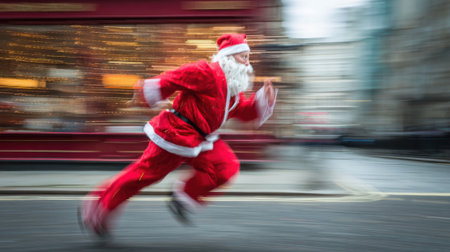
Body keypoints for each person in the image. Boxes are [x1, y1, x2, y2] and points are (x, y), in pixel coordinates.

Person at [79, 33, 277, 237]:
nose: (247, 63)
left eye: (248, 57)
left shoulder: (233, 90)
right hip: (174, 134)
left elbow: (241, 111)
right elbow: (175, 77)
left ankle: (184, 195)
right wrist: (150, 92)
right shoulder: (207, 72)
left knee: (225, 166)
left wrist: (262, 102)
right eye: (243, 57)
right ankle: (98, 206)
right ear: (228, 56)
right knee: (141, 176)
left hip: (201, 140)